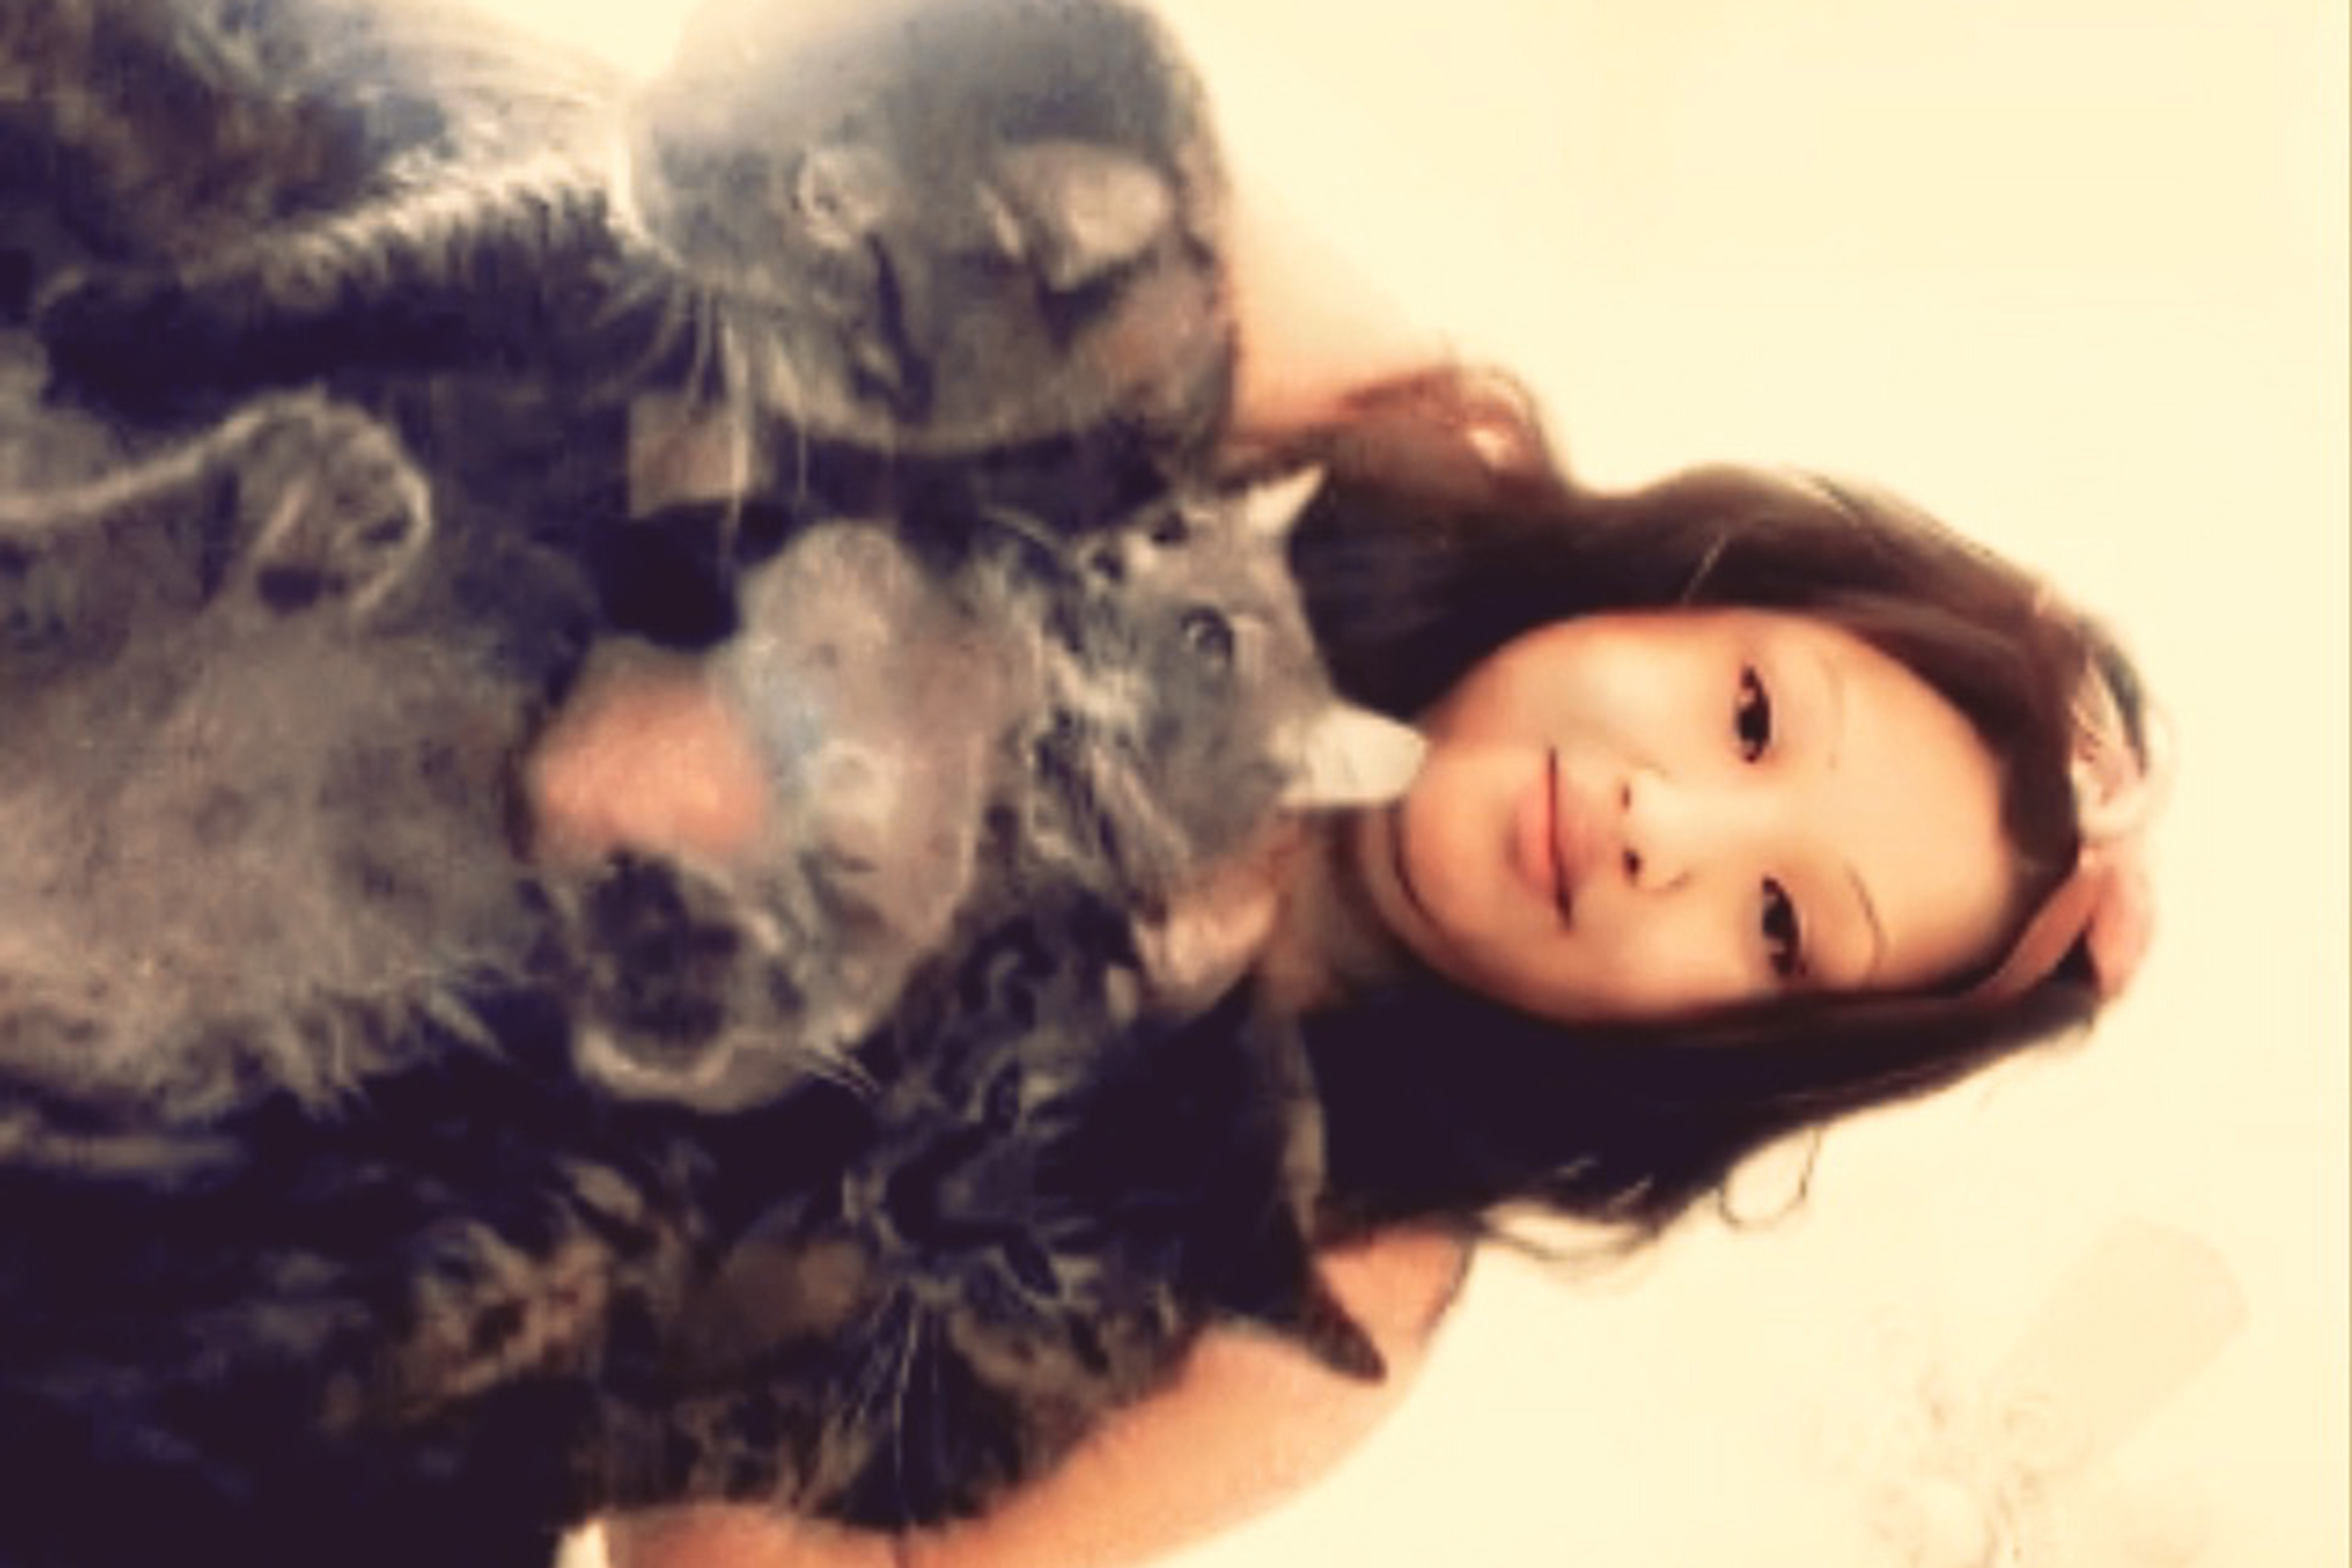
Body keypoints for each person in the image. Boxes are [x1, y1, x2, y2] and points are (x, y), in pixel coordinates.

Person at [542, 163, 2167, 1565]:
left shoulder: (1348, 1290)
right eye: (1750, 715)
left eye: (1781, 926)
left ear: (1721, 1050)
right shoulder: (1390, 427)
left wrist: (790, 1146)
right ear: (1687, 592)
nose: (1663, 828)